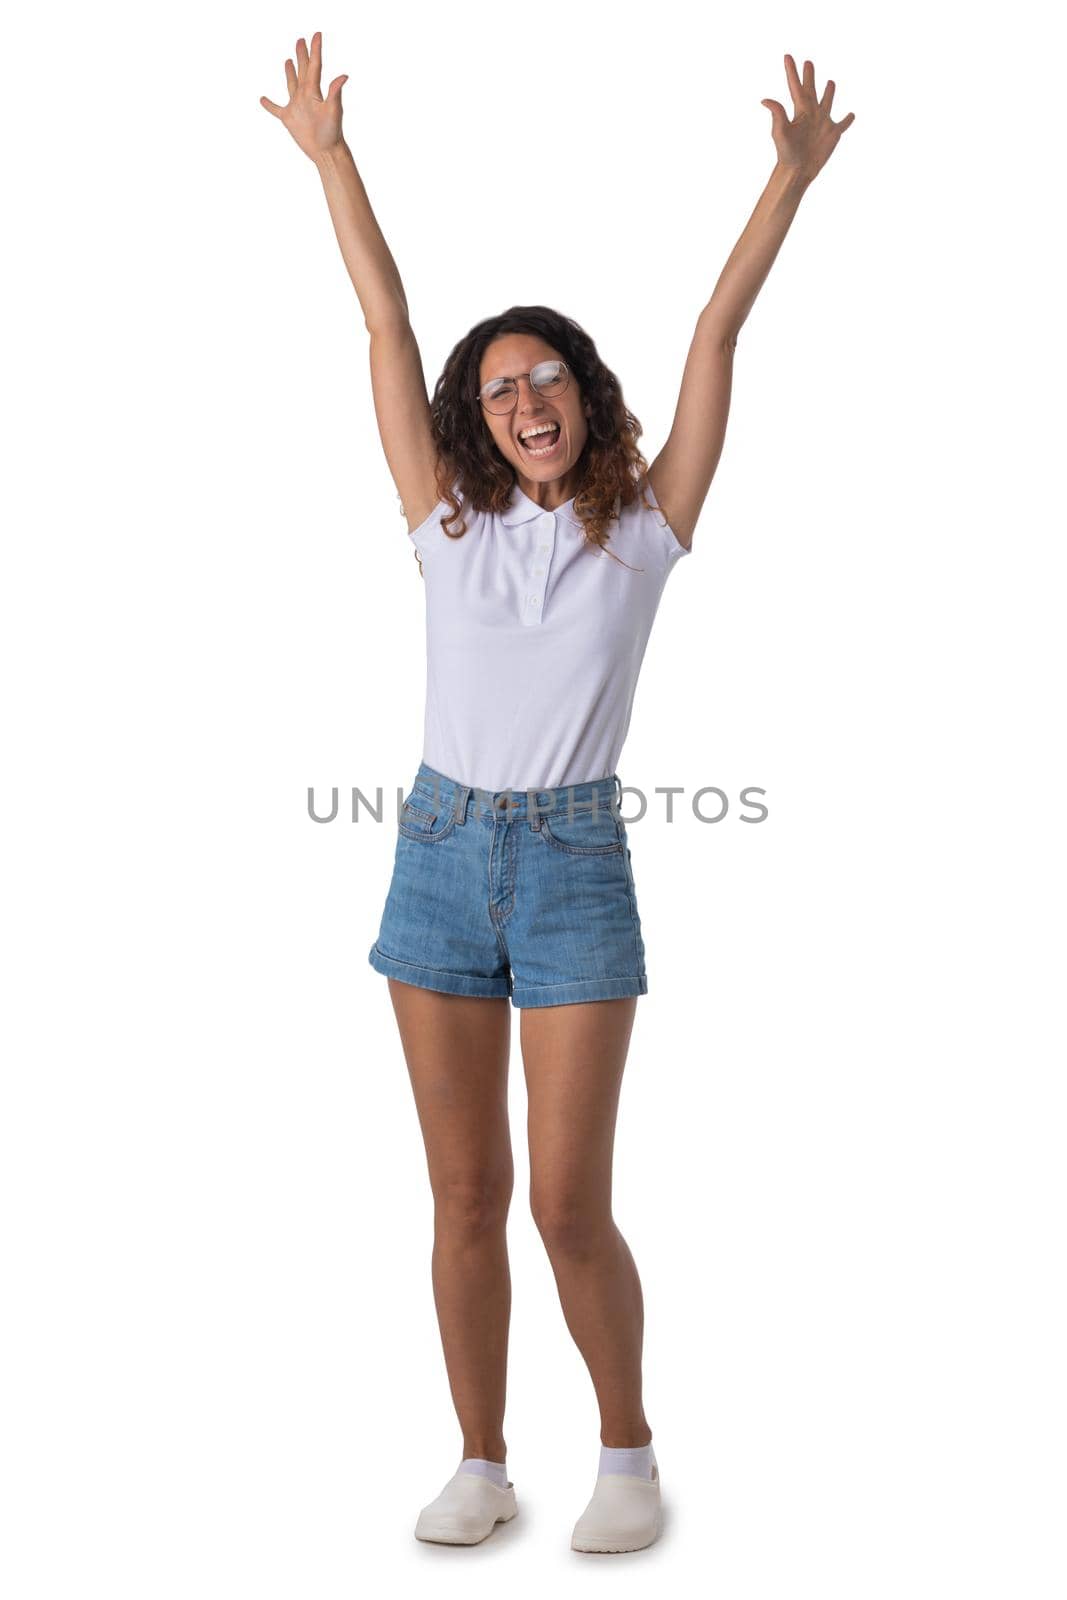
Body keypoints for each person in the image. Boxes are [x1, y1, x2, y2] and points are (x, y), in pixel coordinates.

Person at [262, 33, 854, 1553]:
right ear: (477, 416)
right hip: (438, 855)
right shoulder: (445, 528)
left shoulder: (644, 534)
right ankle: (478, 1458)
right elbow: (384, 323)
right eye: (499, 388)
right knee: (463, 1200)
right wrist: (334, 159)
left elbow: (716, 334)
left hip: (577, 861)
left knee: (566, 1206)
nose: (524, 400)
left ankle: (630, 1454)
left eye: (547, 379)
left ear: (586, 396)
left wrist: (783, 184)